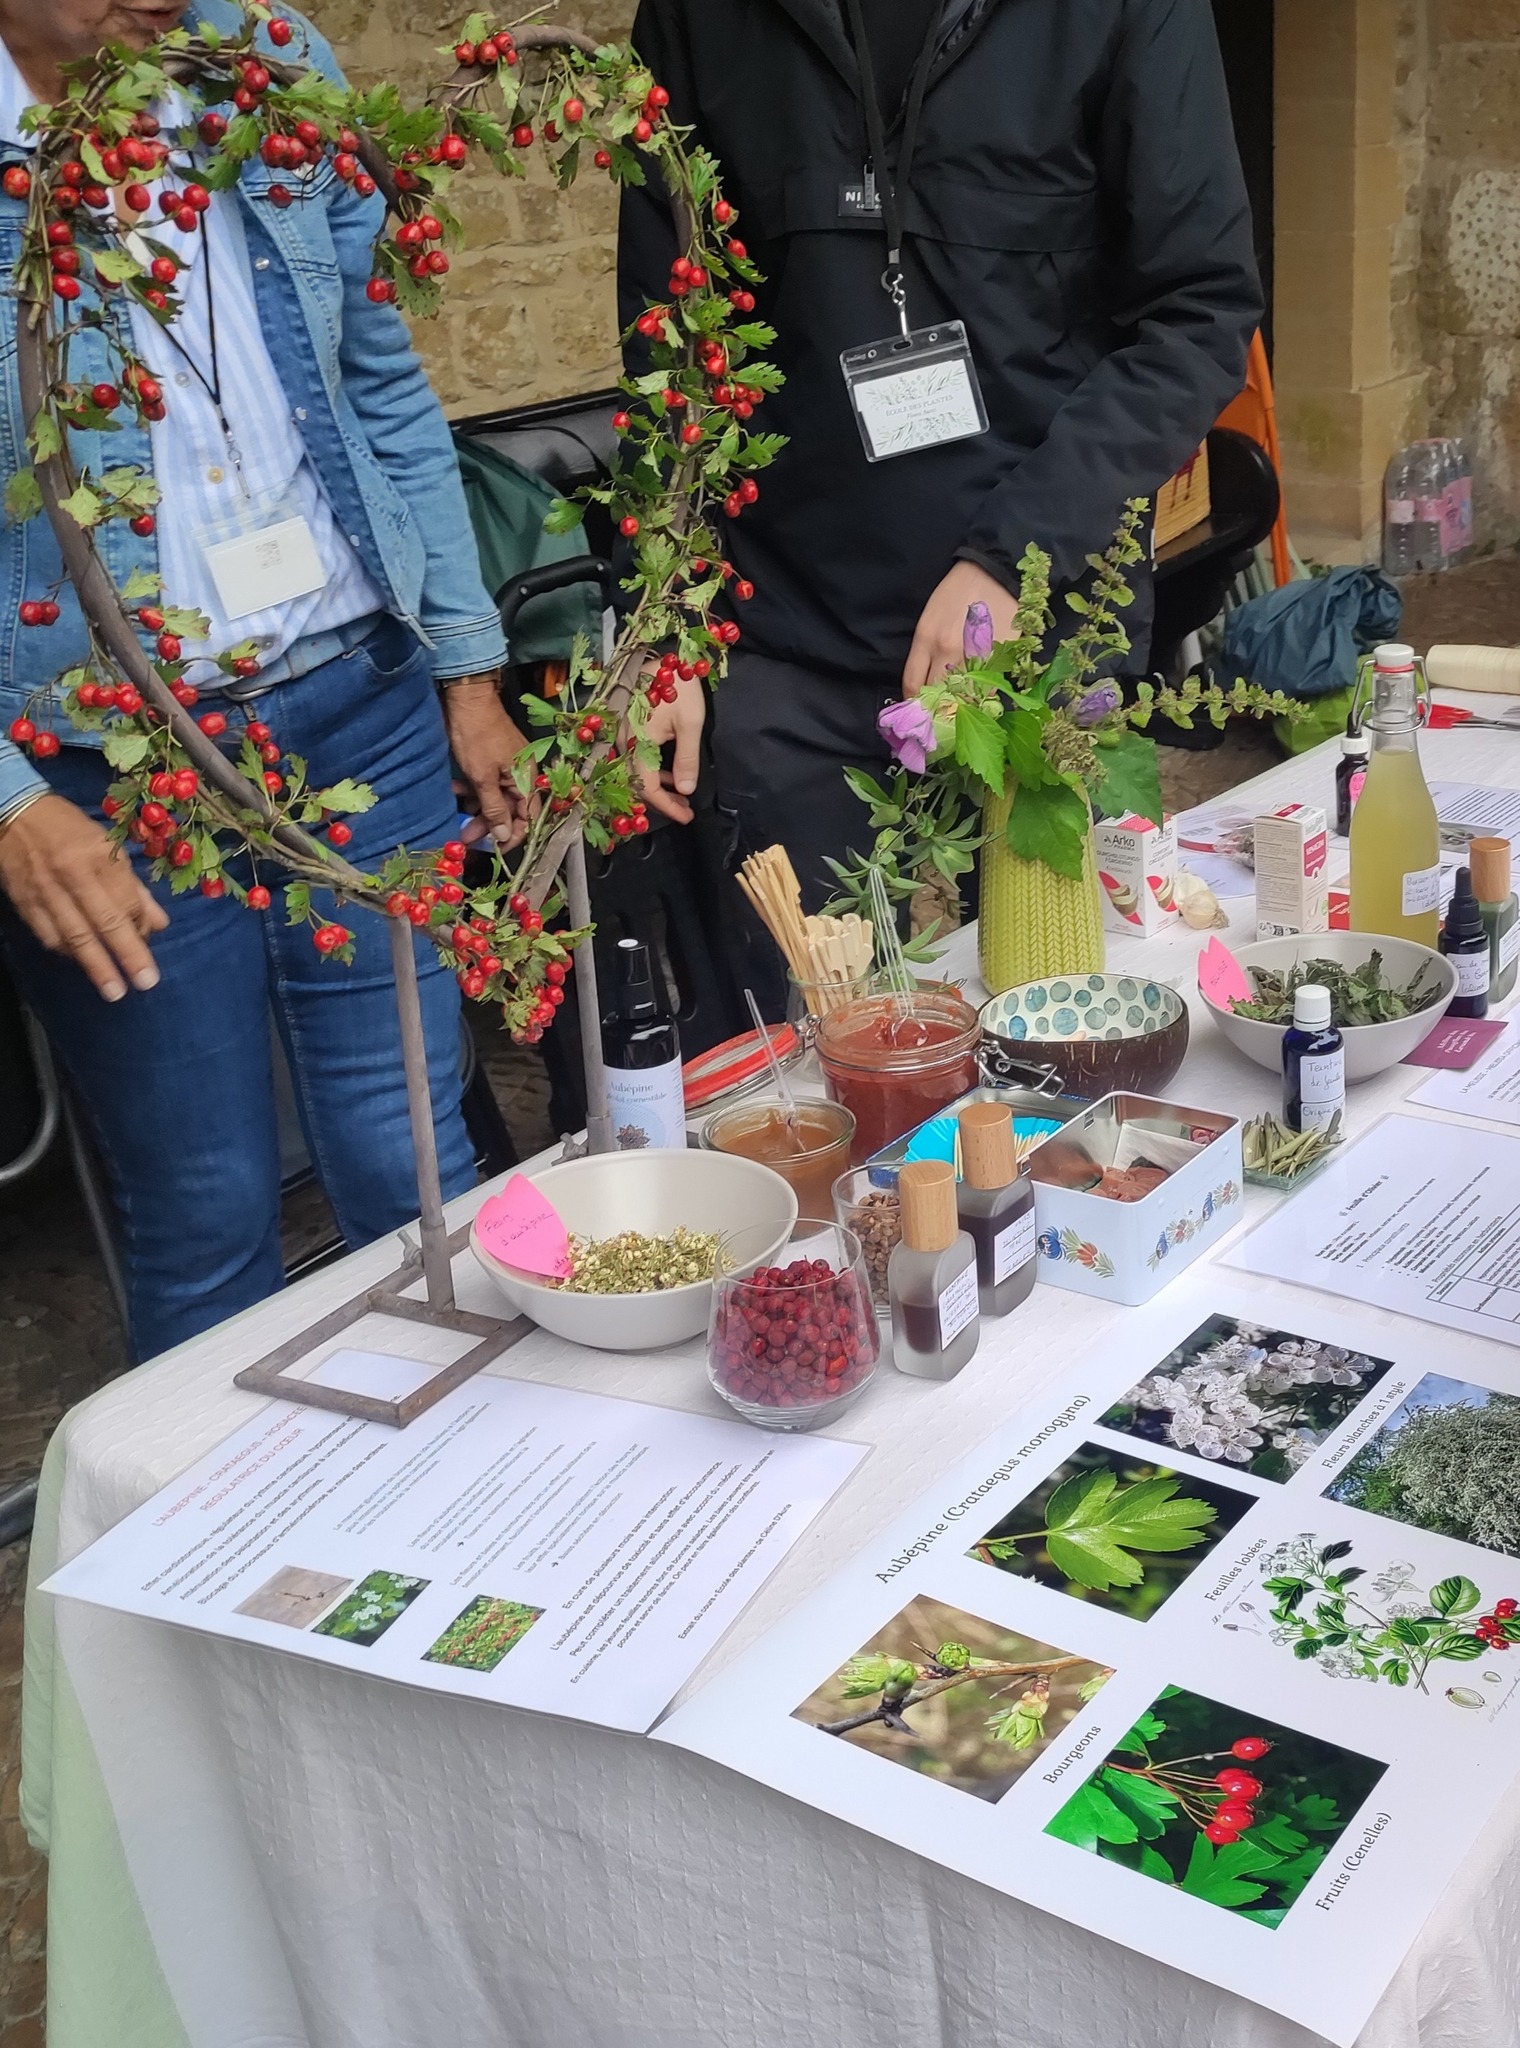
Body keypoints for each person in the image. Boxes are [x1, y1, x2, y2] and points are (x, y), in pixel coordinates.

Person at [0, 0, 533, 1361]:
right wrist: (8, 798)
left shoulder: (266, 63)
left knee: (414, 1157)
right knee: (207, 1203)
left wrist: (467, 664)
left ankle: (472, 1472)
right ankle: (237, 1499)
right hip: (112, 769)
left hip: (362, 699)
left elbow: (380, 381)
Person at [620, 0, 1262, 911]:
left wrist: (1012, 555)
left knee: (1050, 989)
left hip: (1042, 630)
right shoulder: (700, 13)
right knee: (813, 996)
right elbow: (669, 337)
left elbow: (1199, 314)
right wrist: (663, 631)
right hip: (786, 639)